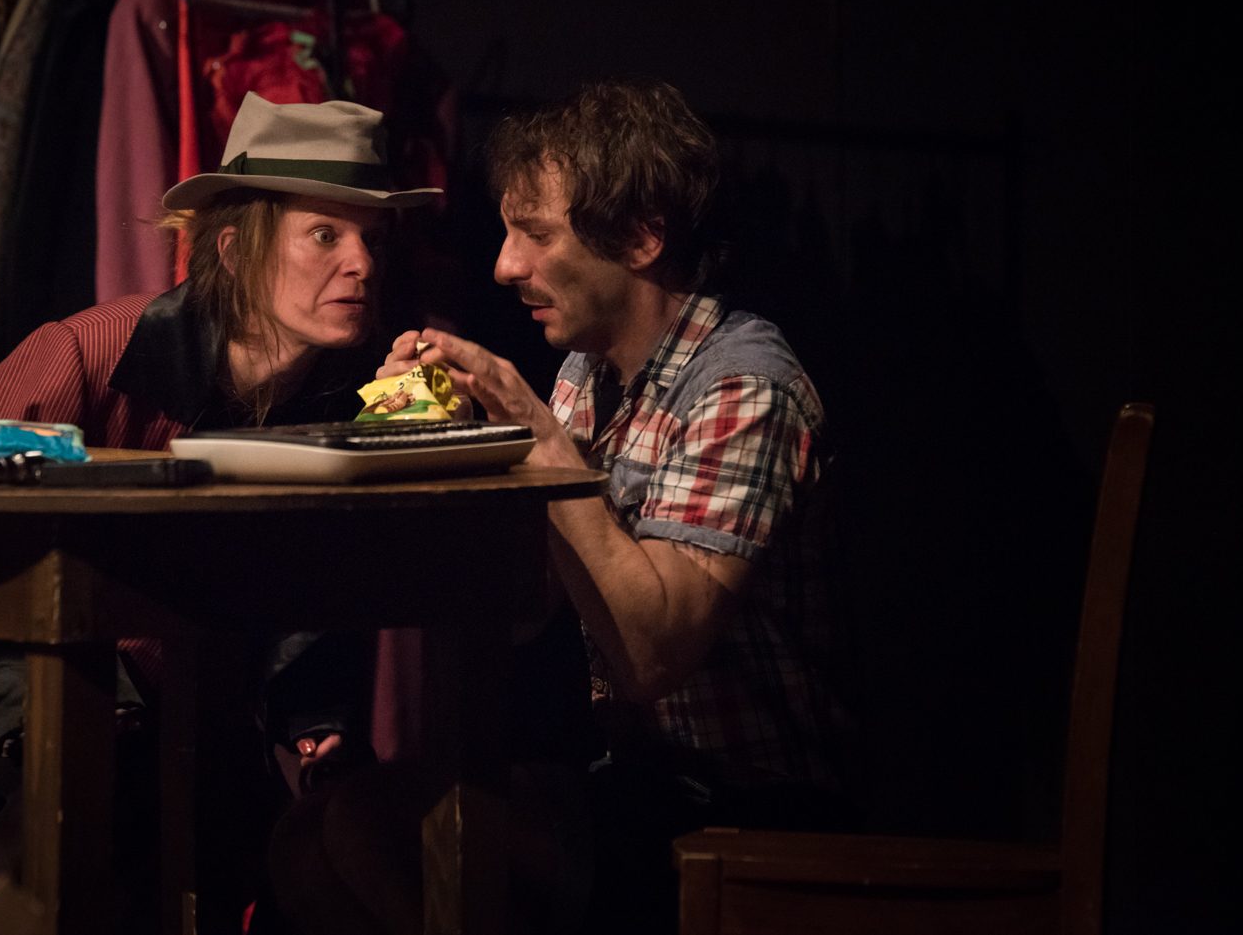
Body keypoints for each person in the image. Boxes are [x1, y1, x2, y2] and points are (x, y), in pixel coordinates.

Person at [272, 78, 854, 934]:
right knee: (305, 837)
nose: (505, 266)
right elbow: (523, 608)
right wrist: (452, 440)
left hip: (750, 808)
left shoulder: (745, 387)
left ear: (643, 237)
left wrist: (534, 434)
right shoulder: (591, 372)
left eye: (536, 234)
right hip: (635, 788)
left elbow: (651, 655)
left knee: (375, 827)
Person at [0, 93, 442, 925]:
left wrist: (412, 417)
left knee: (327, 845)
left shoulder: (353, 388)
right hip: (4, 696)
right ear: (234, 250)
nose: (362, 263)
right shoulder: (88, 352)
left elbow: (325, 589)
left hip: (187, 719)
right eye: (325, 235)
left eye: (372, 240)